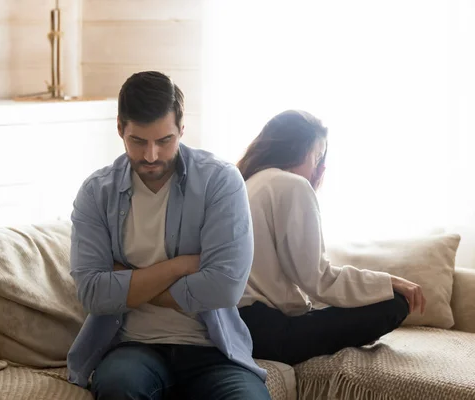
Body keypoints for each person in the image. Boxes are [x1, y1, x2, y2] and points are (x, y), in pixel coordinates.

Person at [66, 71, 270, 400]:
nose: (151, 156)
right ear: (120, 128)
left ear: (182, 129)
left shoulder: (220, 182)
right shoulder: (96, 193)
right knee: (118, 388)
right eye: (138, 141)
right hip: (133, 347)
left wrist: (129, 281)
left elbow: (225, 287)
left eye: (164, 141)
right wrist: (178, 267)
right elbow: (91, 293)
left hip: (212, 349)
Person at [236, 110, 426, 366]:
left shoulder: (248, 183)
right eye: (317, 157)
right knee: (395, 303)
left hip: (238, 323)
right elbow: (318, 279)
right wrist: (389, 282)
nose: (319, 168)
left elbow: (299, 278)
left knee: (349, 305)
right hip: (267, 332)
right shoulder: (291, 184)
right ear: (299, 150)